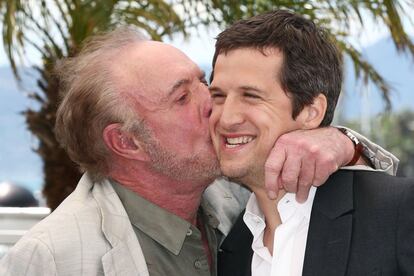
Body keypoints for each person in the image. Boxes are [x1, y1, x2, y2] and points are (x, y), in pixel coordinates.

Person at [0, 26, 398, 275]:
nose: (214, 104)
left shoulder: (242, 197)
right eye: (181, 97)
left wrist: (341, 141)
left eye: (203, 82)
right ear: (127, 142)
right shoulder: (50, 259)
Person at [210, 10, 414, 276]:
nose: (226, 117)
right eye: (218, 95)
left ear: (311, 111)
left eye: (251, 96)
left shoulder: (396, 212)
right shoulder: (231, 251)